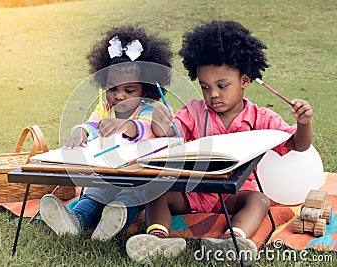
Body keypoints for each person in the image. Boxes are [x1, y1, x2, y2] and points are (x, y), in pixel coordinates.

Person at [126, 20, 313, 264]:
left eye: (222, 86)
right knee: (156, 191)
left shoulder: (261, 118)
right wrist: (160, 122)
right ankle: (157, 239)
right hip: (195, 190)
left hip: (236, 194)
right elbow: (170, 135)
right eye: (205, 87)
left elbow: (298, 145)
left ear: (245, 81)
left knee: (260, 201)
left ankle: (231, 240)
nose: (213, 94)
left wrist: (304, 123)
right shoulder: (194, 111)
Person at [39, 25, 173, 241]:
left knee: (129, 199)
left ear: (145, 90)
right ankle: (75, 221)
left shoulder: (149, 109)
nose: (119, 96)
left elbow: (143, 128)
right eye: (113, 89)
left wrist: (122, 126)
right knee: (94, 195)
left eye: (129, 90)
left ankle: (111, 224)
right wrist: (81, 132)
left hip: (139, 178)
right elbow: (92, 125)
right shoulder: (104, 108)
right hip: (107, 175)